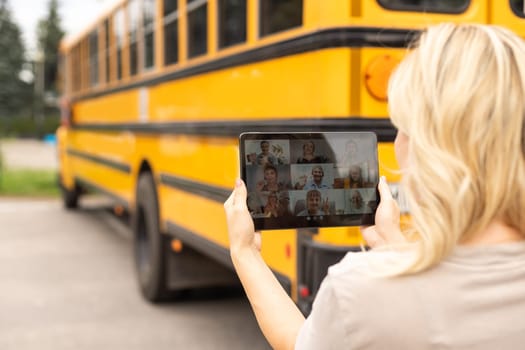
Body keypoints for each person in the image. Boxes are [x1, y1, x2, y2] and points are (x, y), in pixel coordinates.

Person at [224, 23, 525, 349]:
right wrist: (393, 246)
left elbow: (301, 344)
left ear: (426, 146)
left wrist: (245, 253)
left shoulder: (359, 290)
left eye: (401, 127)